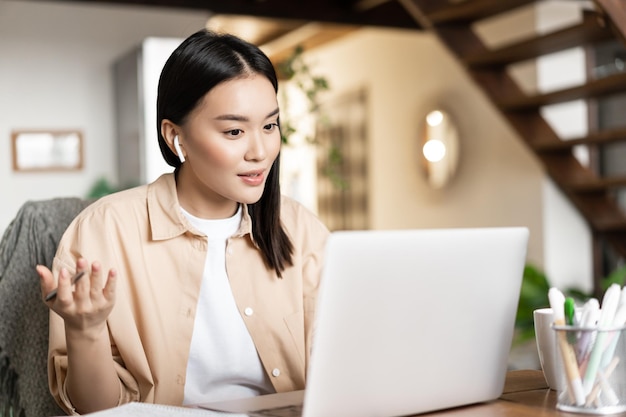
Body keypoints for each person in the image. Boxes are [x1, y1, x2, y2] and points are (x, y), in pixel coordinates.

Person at [36, 28, 330, 415]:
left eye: (270, 126)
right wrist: (85, 330)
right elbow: (97, 411)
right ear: (177, 138)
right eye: (235, 131)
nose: (260, 151)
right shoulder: (104, 231)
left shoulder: (300, 228)